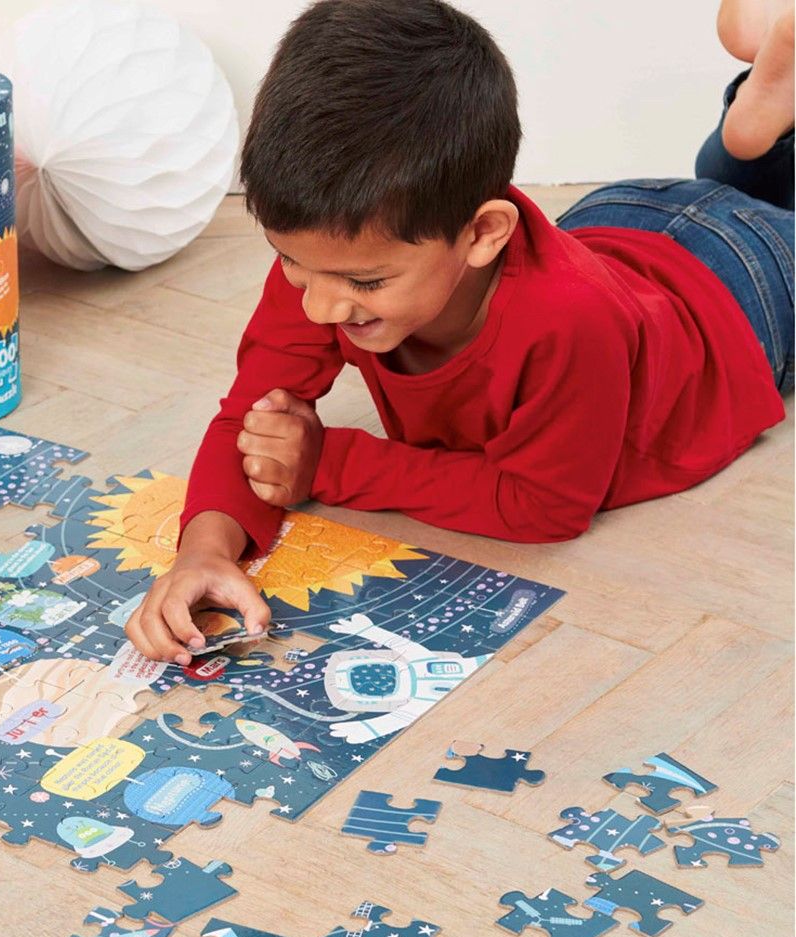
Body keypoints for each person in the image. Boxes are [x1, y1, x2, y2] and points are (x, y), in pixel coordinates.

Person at [126, 0, 794, 665]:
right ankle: (755, 130)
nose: (324, 307)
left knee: (767, 212)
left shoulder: (566, 319)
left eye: (365, 284)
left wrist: (326, 462)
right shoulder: (330, 263)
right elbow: (250, 422)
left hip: (743, 294)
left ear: (482, 234)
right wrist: (204, 552)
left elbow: (543, 506)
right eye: (291, 262)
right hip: (613, 221)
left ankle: (755, 137)